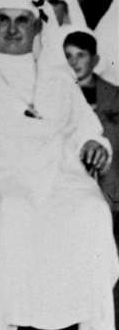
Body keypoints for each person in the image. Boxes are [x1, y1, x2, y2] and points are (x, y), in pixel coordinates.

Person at [0, 0, 118, 330]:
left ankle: (90, 319)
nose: (12, 28)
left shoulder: (58, 77)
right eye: (2, 20)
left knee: (93, 211)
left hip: (60, 168)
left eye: (22, 20)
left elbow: (86, 127)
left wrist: (95, 144)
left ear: (38, 26)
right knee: (14, 211)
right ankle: (15, 319)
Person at [61, 29, 119, 223]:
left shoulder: (113, 95)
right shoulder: (57, 93)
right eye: (67, 56)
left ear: (94, 60)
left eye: (80, 55)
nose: (73, 62)